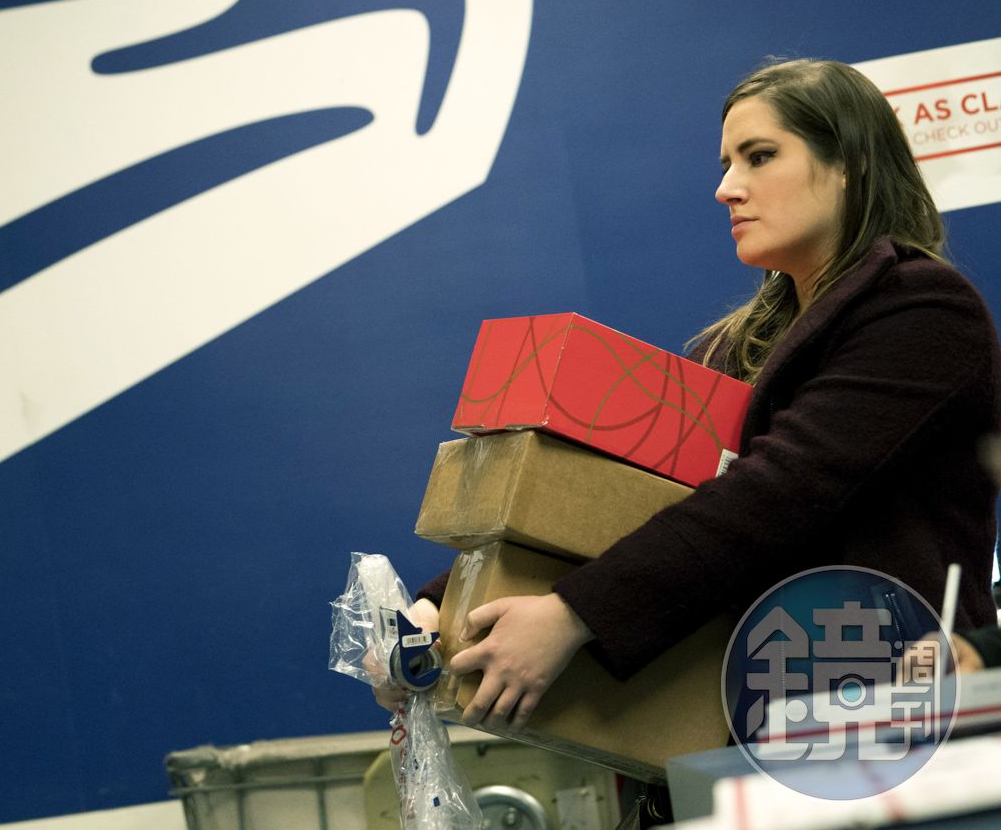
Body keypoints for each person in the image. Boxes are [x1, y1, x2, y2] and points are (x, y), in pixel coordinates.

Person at [379, 58, 1001, 732]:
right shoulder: (732, 346)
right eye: (727, 162)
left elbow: (775, 494)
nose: (726, 188)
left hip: (895, 715)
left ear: (851, 162)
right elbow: (629, 495)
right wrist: (443, 608)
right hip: (754, 713)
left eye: (760, 156)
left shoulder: (925, 311)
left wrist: (572, 615)